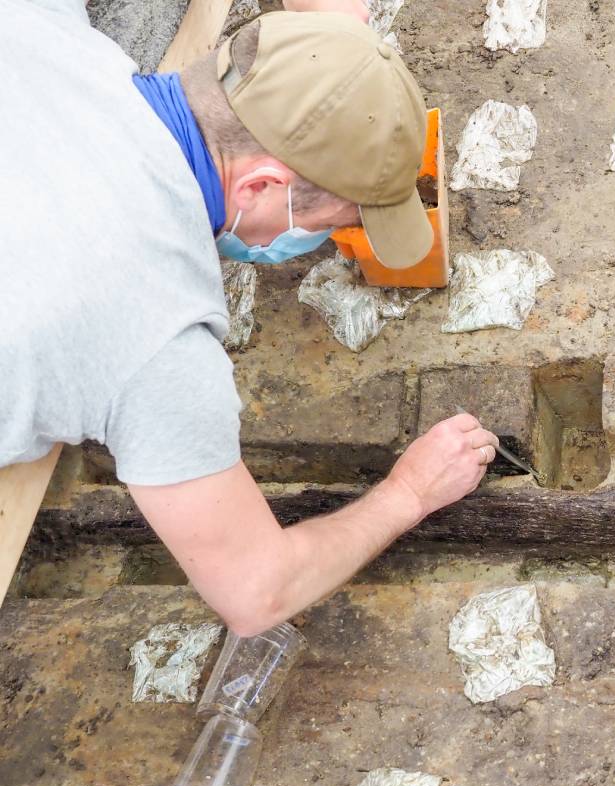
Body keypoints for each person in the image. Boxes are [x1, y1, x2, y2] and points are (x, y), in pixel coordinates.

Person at [0, 2, 499, 634]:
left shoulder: (34, 21)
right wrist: (410, 493)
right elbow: (257, 590)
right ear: (260, 186)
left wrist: (334, 63)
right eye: (329, 224)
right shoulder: (159, 339)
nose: (320, 240)